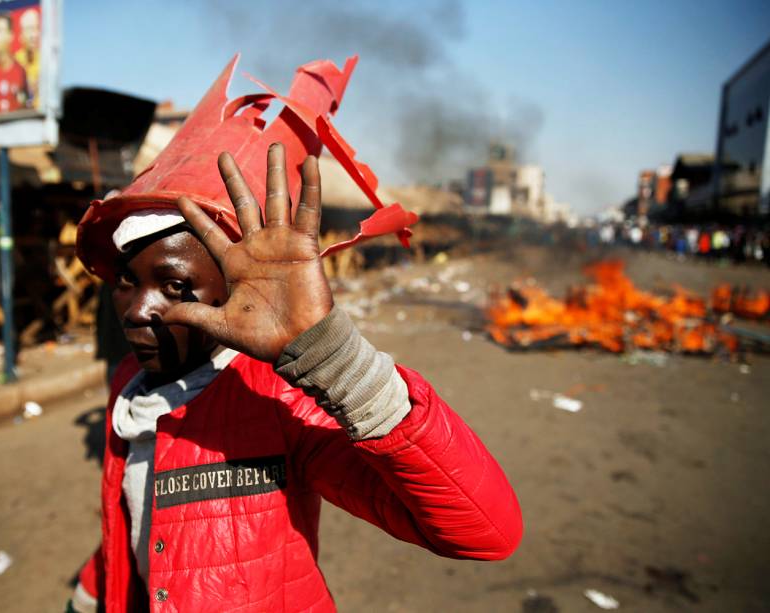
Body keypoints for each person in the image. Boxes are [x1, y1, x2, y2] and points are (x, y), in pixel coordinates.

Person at [68, 56, 522, 612]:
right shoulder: (129, 386)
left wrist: (338, 363)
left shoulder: (278, 406)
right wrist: (93, 590)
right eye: (124, 282)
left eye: (176, 286)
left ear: (231, 292)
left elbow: (484, 532)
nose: (139, 310)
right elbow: (139, 512)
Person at [14, 8, 41, 108]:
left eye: (36, 28)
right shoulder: (15, 62)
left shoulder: (46, 60)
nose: (34, 35)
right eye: (30, 29)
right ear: (21, 35)